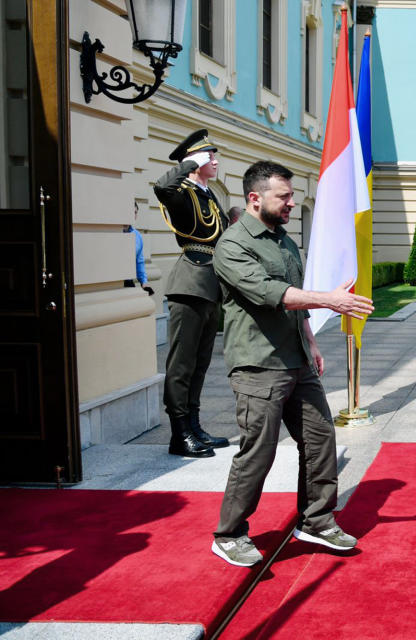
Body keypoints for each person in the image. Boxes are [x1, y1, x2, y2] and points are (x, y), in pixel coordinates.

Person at [210, 161, 374, 567]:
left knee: (320, 441)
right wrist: (329, 300)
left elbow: (294, 298)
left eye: (291, 195)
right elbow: (269, 292)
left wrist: (312, 340)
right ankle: (229, 534)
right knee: (258, 452)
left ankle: (316, 520)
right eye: (283, 196)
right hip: (258, 365)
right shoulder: (232, 245)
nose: (291, 203)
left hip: (297, 359)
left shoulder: (283, 240)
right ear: (254, 199)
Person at [153, 129, 230, 458]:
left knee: (200, 363)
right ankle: (179, 433)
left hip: (211, 285)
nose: (214, 160)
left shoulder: (208, 195)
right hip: (190, 284)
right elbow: (161, 187)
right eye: (208, 155)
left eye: (212, 155)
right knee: (181, 364)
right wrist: (187, 164)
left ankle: (195, 426)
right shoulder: (183, 193)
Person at [124, 202, 154, 295]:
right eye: (131, 212)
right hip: (114, 282)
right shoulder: (114, 231)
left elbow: (139, 262)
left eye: (135, 212)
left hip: (128, 281)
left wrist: (144, 282)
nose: (133, 215)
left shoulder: (137, 235)